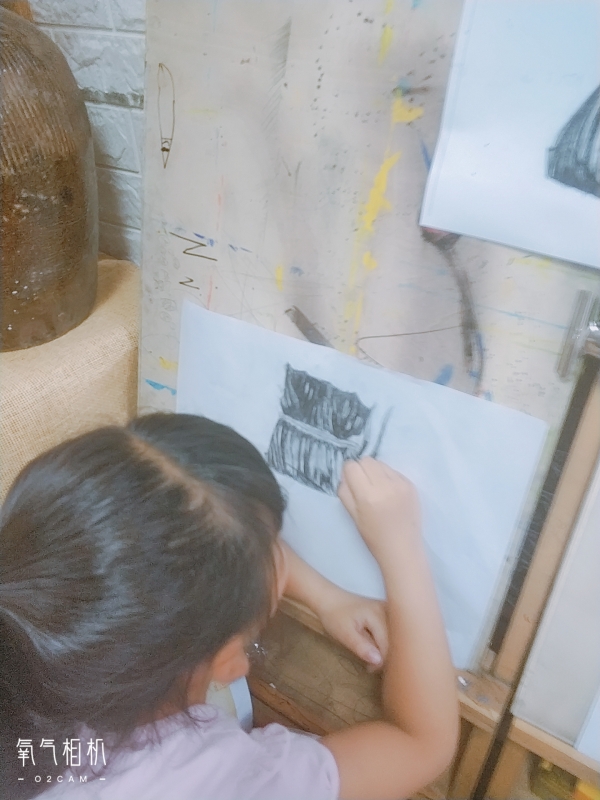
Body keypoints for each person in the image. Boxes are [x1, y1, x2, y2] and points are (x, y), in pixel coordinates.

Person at [0, 413, 458, 800]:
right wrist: (402, 550)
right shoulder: (221, 779)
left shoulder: (29, 618)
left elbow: (169, 555)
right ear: (229, 660)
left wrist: (327, 596)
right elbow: (419, 743)